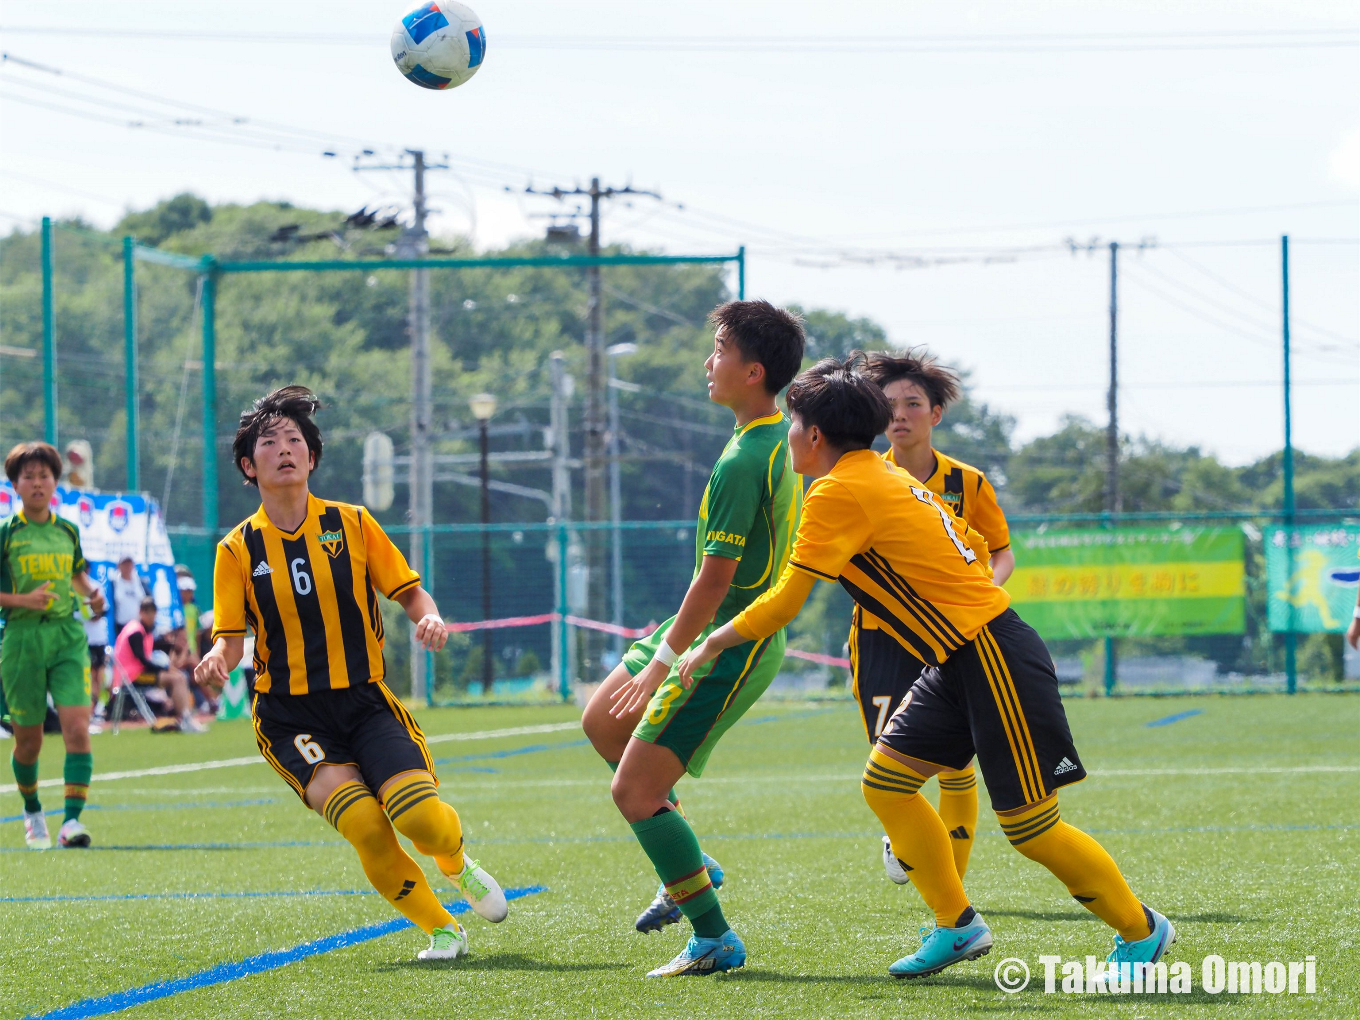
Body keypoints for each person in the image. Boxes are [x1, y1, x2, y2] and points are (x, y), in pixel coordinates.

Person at [679, 356, 1174, 979]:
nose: (786, 433)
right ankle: (957, 924)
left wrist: (709, 644)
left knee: (1032, 830)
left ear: (812, 435)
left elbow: (785, 600)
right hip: (960, 656)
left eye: (792, 421)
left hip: (990, 653)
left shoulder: (839, 489)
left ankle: (1142, 931)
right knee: (887, 784)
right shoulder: (871, 477)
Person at [195, 385, 506, 962]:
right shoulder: (236, 549)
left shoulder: (354, 524)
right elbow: (231, 642)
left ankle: (457, 862)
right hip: (290, 717)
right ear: (248, 464)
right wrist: (218, 658)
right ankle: (442, 930)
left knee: (421, 820)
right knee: (365, 824)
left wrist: (431, 617)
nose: (285, 449)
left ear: (312, 458)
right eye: (270, 442)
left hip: (365, 701)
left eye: (296, 440)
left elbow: (410, 592)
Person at [580, 299, 805, 978]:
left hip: (725, 645)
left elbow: (715, 581)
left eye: (718, 350)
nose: (708, 362)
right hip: (699, 630)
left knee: (633, 795)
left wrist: (668, 658)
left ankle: (713, 936)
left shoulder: (750, 458)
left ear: (752, 370)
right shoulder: (761, 438)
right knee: (601, 720)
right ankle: (691, 862)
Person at [859, 349, 1014, 884]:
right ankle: (904, 835)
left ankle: (954, 886)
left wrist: (980, 593)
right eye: (888, 405)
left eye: (912, 403)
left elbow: (1001, 551)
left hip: (950, 639)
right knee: (888, 765)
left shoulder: (967, 483)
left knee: (956, 763)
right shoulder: (863, 477)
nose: (899, 414)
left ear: (935, 415)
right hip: (881, 638)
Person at [0, 441, 108, 850]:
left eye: (45, 475)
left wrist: (93, 596)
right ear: (15, 485)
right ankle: (32, 814)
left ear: (55, 482)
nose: (38, 483)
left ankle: (71, 823)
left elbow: (79, 577)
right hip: (22, 640)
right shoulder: (6, 534)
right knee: (29, 741)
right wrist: (23, 600)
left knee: (78, 728)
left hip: (67, 637)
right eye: (28, 476)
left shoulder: (68, 530)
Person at [114, 596, 204, 732]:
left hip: (136, 673)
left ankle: (185, 718)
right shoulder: (135, 632)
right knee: (176, 678)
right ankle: (185, 719)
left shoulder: (143, 630)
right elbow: (143, 660)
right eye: (147, 612)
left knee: (178, 677)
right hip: (131, 677)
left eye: (152, 612)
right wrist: (165, 668)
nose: (150, 615)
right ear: (141, 612)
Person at [110, 555, 146, 636]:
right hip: (121, 625)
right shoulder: (113, 583)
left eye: (129, 564)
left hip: (138, 625)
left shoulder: (141, 582)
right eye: (124, 564)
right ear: (119, 566)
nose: (127, 567)